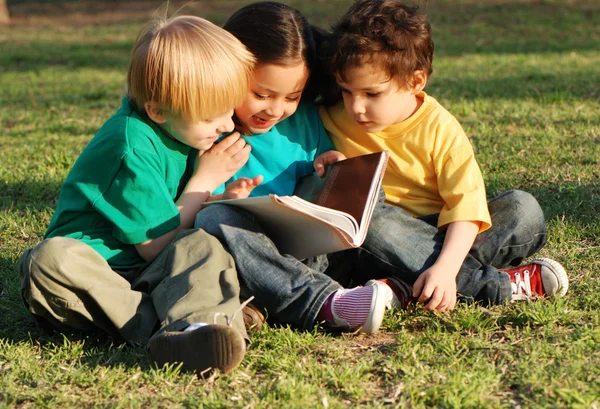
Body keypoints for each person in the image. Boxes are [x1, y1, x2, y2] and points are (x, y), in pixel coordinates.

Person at [17, 15, 257, 375]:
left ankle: (201, 329)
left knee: (201, 246)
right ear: (157, 110)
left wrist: (221, 198)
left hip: (151, 269)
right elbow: (156, 243)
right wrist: (203, 183)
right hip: (100, 276)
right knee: (47, 261)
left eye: (229, 109)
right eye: (211, 116)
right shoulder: (129, 146)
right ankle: (185, 328)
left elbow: (180, 223)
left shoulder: (188, 130)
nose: (226, 124)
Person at [318, 0, 569, 311]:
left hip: (441, 232)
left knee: (524, 209)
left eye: (372, 94)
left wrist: (448, 268)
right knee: (374, 223)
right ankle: (494, 286)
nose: (356, 106)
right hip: (373, 240)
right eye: (346, 90)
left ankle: (406, 284)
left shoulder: (440, 128)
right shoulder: (330, 115)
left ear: (415, 81)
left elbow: (465, 209)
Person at [194, 1, 396, 335]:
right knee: (212, 218)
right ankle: (326, 303)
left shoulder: (305, 120)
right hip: (246, 259)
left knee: (365, 186)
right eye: (261, 94)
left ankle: (272, 301)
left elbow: (324, 193)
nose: (275, 109)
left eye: (291, 97)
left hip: (311, 257)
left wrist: (329, 167)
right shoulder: (204, 127)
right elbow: (189, 215)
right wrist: (222, 197)